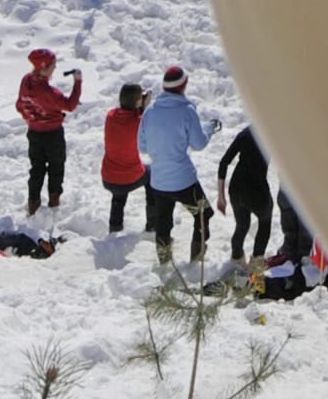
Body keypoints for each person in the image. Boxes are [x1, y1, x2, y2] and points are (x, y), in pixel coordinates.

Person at [140, 67, 214, 266]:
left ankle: (164, 261)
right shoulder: (187, 111)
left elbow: (142, 145)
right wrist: (210, 128)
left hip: (159, 181)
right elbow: (198, 143)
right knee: (203, 215)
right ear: (184, 86)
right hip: (184, 182)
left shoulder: (150, 111)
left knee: (163, 222)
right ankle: (196, 260)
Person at [17, 48, 84, 213]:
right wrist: (78, 82)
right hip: (53, 135)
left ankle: (33, 203)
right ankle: (54, 201)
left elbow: (21, 104)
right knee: (56, 167)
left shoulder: (26, 81)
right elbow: (70, 105)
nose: (55, 68)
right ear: (43, 67)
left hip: (34, 133)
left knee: (36, 168)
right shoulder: (49, 92)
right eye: (53, 65)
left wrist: (29, 117)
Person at [218, 125, 276, 263]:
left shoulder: (246, 133)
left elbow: (224, 162)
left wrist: (221, 196)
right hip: (257, 190)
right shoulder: (273, 134)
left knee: (242, 225)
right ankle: (257, 263)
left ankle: (237, 259)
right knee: (265, 222)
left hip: (236, 189)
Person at [99, 84, 148, 234]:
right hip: (129, 177)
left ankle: (115, 228)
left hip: (108, 177)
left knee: (119, 195)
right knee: (152, 175)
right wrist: (144, 107)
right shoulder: (139, 121)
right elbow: (140, 123)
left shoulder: (111, 116)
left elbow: (128, 118)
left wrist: (139, 106)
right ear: (137, 101)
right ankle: (152, 224)